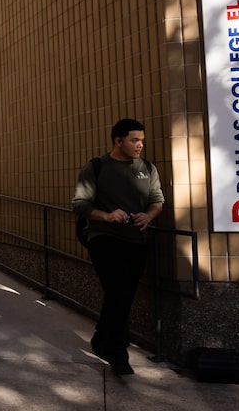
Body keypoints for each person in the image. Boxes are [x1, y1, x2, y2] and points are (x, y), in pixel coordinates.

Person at [72, 118, 164, 375]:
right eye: (135, 140)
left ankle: (102, 338)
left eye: (142, 140)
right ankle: (117, 350)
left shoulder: (147, 168)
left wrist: (149, 216)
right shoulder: (97, 167)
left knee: (122, 294)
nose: (140, 145)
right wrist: (107, 215)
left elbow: (157, 200)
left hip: (136, 239)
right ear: (118, 140)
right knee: (120, 288)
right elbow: (80, 205)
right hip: (103, 238)